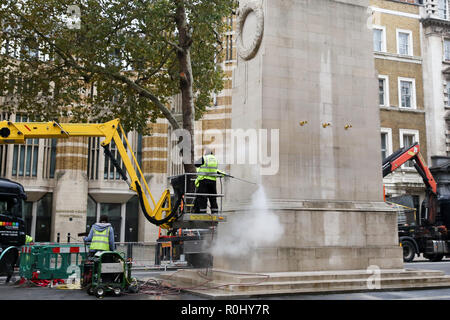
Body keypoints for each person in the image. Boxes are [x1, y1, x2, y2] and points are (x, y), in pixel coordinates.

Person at [193, 148, 225, 214]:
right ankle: (215, 212)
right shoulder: (215, 159)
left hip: (204, 180)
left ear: (206, 153)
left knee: (203, 197)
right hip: (213, 181)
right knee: (213, 198)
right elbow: (215, 170)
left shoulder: (205, 158)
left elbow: (196, 164)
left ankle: (202, 213)